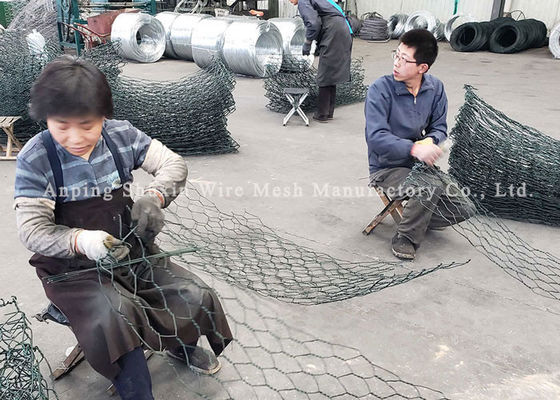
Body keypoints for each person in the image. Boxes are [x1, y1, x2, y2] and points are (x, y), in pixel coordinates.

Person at [14, 56, 233, 399]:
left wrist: (155, 197)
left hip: (131, 252)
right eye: (62, 125)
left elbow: (173, 163)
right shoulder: (36, 157)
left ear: (104, 115)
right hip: (73, 272)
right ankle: (134, 385)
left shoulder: (121, 136)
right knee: (116, 315)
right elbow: (32, 230)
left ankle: (182, 345)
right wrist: (82, 241)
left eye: (87, 125)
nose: (75, 138)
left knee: (193, 292)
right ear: (46, 118)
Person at [365, 29, 474, 260]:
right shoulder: (380, 90)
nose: (396, 63)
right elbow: (376, 136)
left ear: (422, 68)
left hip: (418, 165)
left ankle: (418, 216)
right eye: (396, 55)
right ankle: (406, 237)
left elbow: (439, 127)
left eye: (404, 60)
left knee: (465, 207)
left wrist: (431, 141)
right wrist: (414, 148)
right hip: (387, 166)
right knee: (428, 187)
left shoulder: (435, 89)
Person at [289, 0, 353, 122]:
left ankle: (322, 114)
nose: (290, 2)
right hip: (342, 30)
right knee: (331, 71)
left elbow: (313, 23)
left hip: (334, 31)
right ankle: (328, 112)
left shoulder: (303, 1)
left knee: (325, 72)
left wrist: (307, 43)